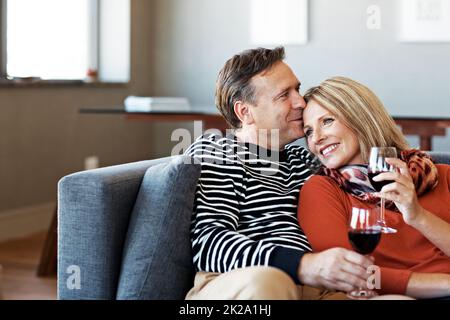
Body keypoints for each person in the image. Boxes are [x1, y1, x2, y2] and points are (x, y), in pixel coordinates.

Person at [184, 48, 376, 300]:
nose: (300, 102)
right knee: (268, 281)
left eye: (297, 89)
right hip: (241, 283)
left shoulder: (304, 161)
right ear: (245, 112)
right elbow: (210, 245)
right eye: (285, 94)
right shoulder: (217, 150)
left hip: (312, 289)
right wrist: (304, 265)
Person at [298, 76, 450, 299]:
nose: (317, 138)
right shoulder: (321, 190)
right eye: (308, 131)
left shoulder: (442, 175)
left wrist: (418, 216)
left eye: (327, 121)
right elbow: (349, 275)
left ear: (360, 117)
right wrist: (445, 284)